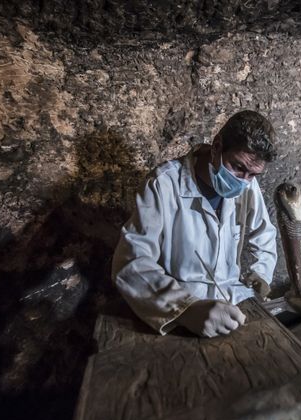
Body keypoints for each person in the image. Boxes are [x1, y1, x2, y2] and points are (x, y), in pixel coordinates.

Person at [112, 110, 278, 337]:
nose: (243, 181)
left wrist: (261, 274)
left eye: (253, 174)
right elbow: (131, 262)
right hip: (181, 307)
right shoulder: (164, 185)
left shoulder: (247, 185)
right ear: (217, 146)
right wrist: (186, 309)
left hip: (232, 302)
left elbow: (265, 233)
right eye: (238, 167)